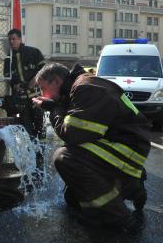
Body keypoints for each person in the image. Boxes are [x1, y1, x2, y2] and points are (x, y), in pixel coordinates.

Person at [32, 63, 150, 232]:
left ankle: (119, 217)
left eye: (43, 88)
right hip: (123, 143)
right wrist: (55, 104)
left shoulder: (85, 89)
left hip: (129, 148)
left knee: (65, 158)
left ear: (56, 81)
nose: (42, 94)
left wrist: (54, 108)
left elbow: (71, 134)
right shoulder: (80, 85)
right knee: (73, 198)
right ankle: (132, 186)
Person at [3, 28, 45, 138]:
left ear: (20, 39)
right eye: (10, 40)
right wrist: (14, 85)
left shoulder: (33, 52)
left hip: (36, 98)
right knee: (27, 129)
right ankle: (31, 151)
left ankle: (42, 153)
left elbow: (44, 69)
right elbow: (8, 77)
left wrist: (35, 80)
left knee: (40, 126)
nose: (11, 42)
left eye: (14, 39)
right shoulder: (8, 59)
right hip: (21, 101)